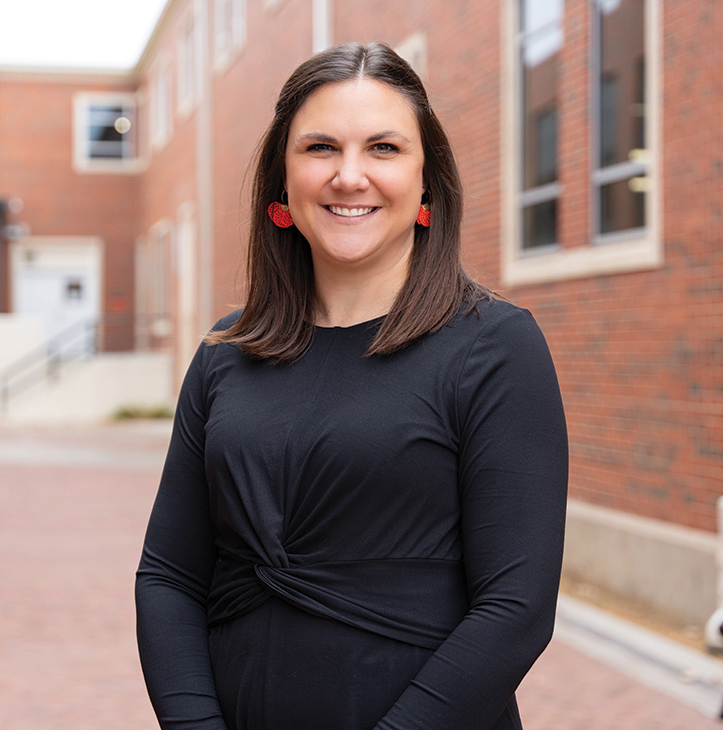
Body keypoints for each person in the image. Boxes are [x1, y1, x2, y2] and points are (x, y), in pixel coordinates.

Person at [135, 42, 568, 730]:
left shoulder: (495, 346)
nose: (349, 175)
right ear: (284, 180)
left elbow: (515, 608)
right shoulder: (227, 351)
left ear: (428, 182)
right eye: (320, 148)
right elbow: (169, 576)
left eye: (384, 149)